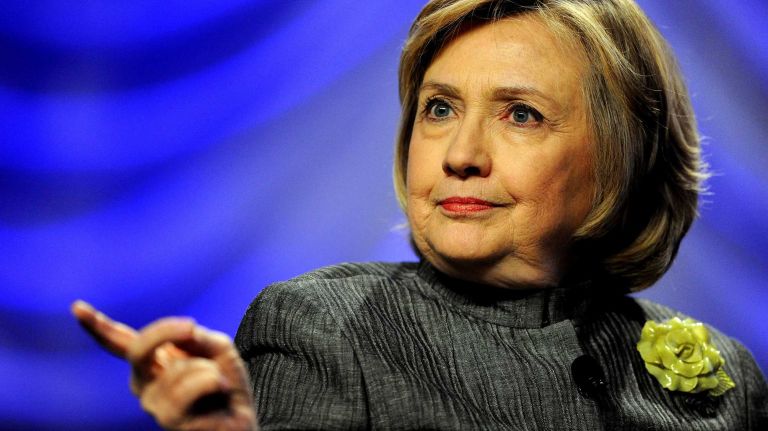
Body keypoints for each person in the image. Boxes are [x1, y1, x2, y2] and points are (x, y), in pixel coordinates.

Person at [72, 0, 768, 429]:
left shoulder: (728, 378)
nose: (460, 154)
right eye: (439, 109)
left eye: (520, 114)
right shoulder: (321, 326)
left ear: (623, 154)